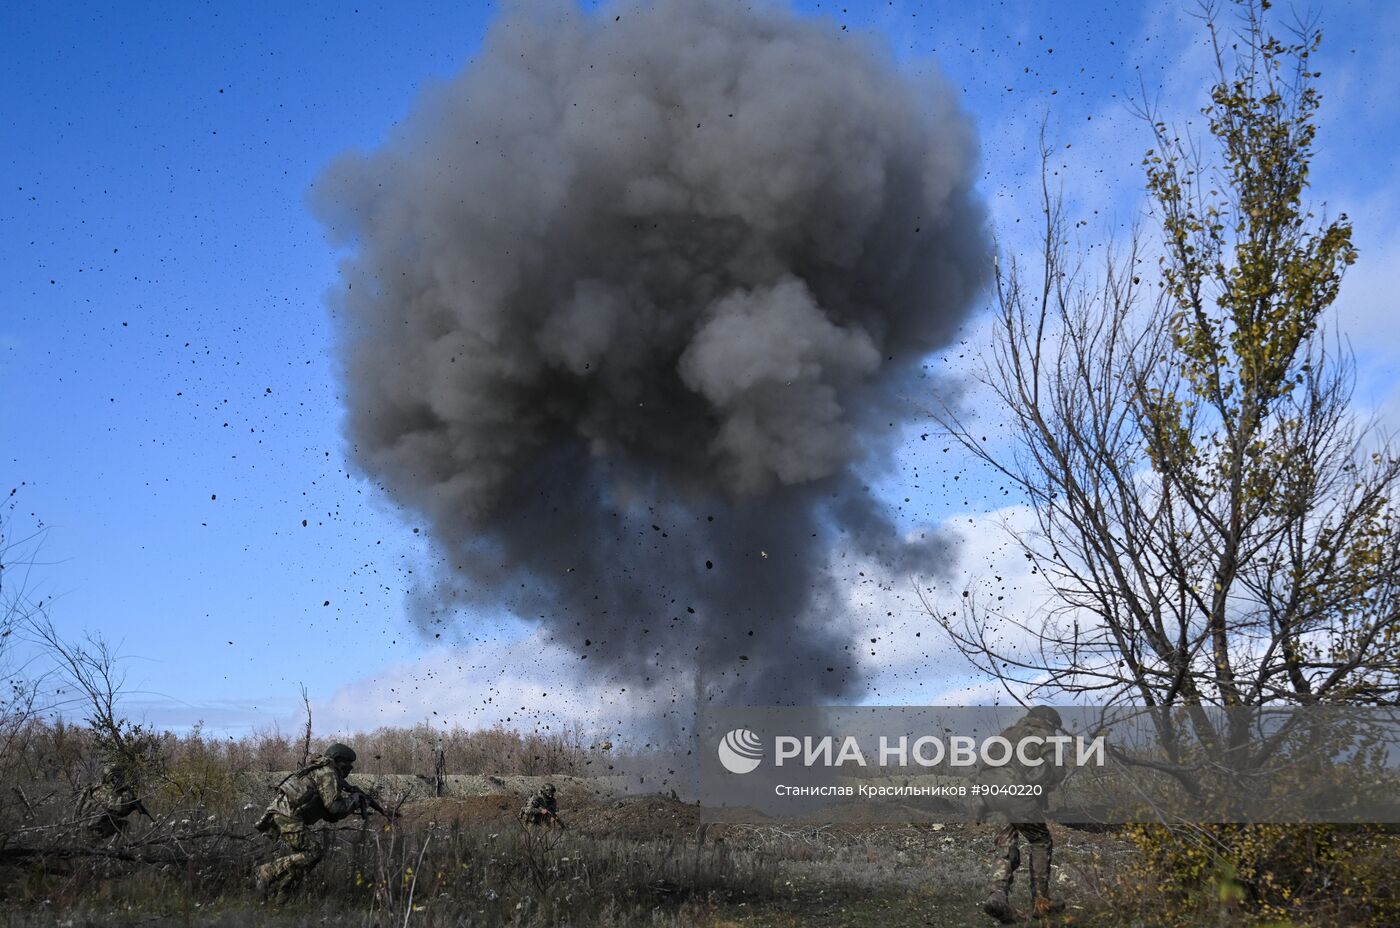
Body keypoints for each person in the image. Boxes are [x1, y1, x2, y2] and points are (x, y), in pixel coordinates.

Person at [976, 706, 1069, 923]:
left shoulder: (1007, 734)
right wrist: (1043, 785)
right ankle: (1041, 902)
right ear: (1050, 723)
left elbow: (982, 767)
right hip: (1016, 793)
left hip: (989, 793)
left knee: (1006, 846)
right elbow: (1056, 770)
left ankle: (997, 896)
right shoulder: (1044, 736)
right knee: (1040, 840)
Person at [253, 742, 368, 900]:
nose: (350, 769)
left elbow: (330, 815)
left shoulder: (323, 771)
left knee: (304, 858)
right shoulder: (328, 773)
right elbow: (334, 807)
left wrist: (350, 803)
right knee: (313, 852)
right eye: (348, 765)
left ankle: (283, 894)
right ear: (339, 761)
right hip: (287, 815)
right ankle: (267, 871)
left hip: (285, 814)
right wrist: (353, 801)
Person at [76, 761, 147, 839]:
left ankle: (117, 848)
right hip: (92, 825)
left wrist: (131, 807)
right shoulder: (99, 789)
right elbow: (112, 805)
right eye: (116, 777)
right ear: (109, 777)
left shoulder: (119, 792)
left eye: (120, 777)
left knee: (125, 825)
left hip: (103, 824)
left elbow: (118, 813)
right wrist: (128, 804)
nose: (118, 781)